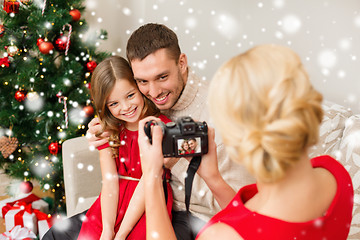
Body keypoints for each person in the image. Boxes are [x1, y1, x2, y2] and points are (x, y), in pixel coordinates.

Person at [44, 23, 252, 240]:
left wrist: (173, 161)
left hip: (191, 215)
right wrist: (100, 127)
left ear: (182, 63)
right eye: (142, 81)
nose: (153, 92)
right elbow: (118, 102)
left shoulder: (222, 114)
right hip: (133, 203)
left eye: (162, 77)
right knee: (55, 235)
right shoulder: (142, 104)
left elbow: (241, 208)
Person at [137, 44, 354, 240]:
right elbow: (248, 217)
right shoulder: (334, 174)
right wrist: (213, 178)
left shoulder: (219, 236)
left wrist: (152, 175)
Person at [61, 56, 174, 240]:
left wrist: (121, 234)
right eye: (114, 103)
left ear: (140, 88)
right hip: (112, 201)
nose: (126, 107)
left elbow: (148, 183)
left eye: (130, 95)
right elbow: (109, 181)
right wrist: (107, 229)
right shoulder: (109, 130)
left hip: (148, 198)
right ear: (105, 106)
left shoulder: (158, 127)